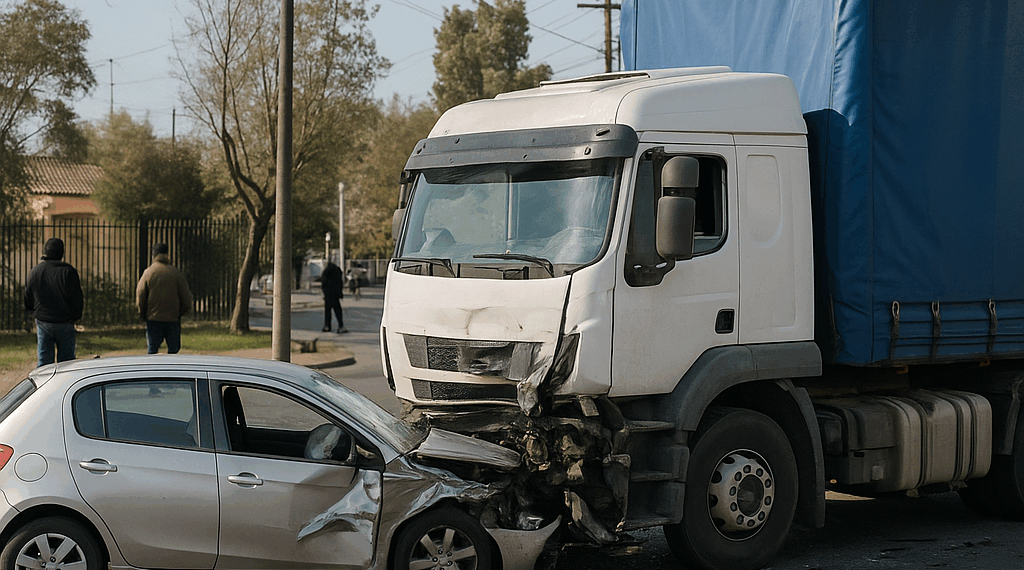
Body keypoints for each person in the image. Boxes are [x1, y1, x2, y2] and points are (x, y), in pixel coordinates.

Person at [24, 238, 84, 366]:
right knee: (67, 363)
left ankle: (45, 378)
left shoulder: (35, 271)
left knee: (44, 362)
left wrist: (34, 311)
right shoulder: (68, 271)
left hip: (43, 321)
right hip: (65, 321)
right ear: (61, 253)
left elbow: (28, 297)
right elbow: (77, 298)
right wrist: (75, 316)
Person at [136, 243, 193, 354]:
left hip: (153, 318)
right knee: (174, 349)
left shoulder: (148, 273)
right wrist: (182, 312)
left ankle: (152, 365)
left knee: (152, 349)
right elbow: (186, 296)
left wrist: (142, 312)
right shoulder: (175, 273)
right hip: (172, 318)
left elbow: (140, 294)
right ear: (167, 254)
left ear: (154, 255)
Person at [320, 261, 347, 333]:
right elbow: (340, 284)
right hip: (335, 295)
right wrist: (340, 293)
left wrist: (325, 293)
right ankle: (340, 326)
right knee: (338, 310)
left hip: (328, 294)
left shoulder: (326, 273)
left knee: (327, 311)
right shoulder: (337, 273)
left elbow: (323, 283)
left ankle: (327, 326)